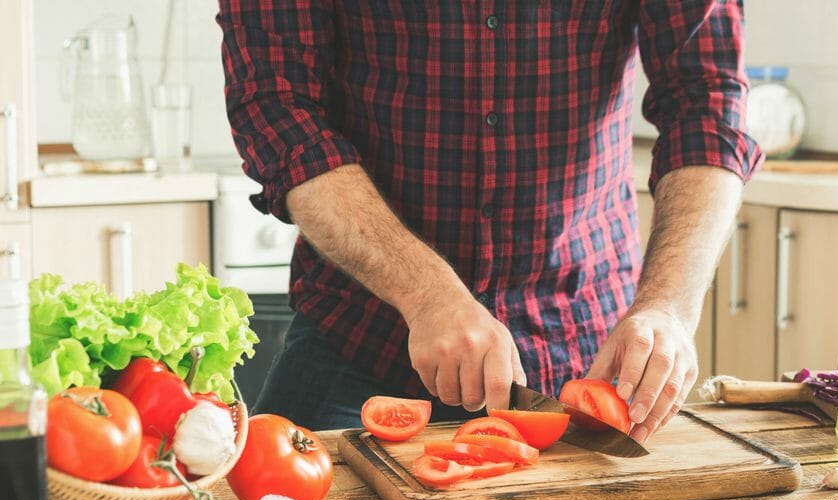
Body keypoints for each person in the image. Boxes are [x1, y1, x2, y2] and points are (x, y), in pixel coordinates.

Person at [218, 1, 761, 443]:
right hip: (363, 333)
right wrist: (426, 294)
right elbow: (277, 105)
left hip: (586, 353)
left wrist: (668, 306)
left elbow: (705, 102)